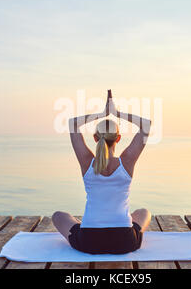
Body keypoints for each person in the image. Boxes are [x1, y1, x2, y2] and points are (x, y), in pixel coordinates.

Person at [52, 90, 152, 254]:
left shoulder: (86, 161)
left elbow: (72, 124)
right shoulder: (127, 161)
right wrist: (117, 113)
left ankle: (82, 223)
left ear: (95, 138)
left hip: (89, 241)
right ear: (118, 138)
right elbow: (146, 125)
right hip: (125, 242)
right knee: (143, 213)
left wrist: (101, 114)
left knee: (58, 216)